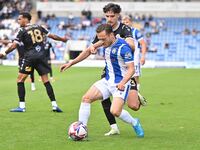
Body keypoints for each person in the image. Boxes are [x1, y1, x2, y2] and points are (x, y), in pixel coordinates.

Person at [60, 3, 147, 136]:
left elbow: (132, 46)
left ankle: (134, 121)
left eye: (112, 16)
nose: (110, 19)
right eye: (107, 16)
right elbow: (89, 50)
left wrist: (116, 41)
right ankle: (82, 129)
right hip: (109, 75)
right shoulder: (103, 31)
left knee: (130, 107)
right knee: (86, 98)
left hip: (123, 77)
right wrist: (72, 62)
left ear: (118, 15)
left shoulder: (124, 30)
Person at [0, 12, 67, 112]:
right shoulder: (40, 27)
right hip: (42, 57)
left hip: (30, 58)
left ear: (26, 19)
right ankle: (54, 105)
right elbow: (52, 36)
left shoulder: (22, 30)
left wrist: (3, 53)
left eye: (19, 19)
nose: (18, 21)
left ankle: (22, 107)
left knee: (20, 80)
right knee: (46, 81)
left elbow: (14, 45)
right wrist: (63, 39)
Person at [122, 15, 147, 91]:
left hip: (134, 59)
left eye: (127, 22)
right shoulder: (120, 32)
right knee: (123, 76)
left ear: (131, 23)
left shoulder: (135, 31)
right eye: (123, 22)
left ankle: (137, 95)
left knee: (135, 77)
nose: (125, 23)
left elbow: (143, 43)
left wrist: (143, 56)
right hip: (123, 59)